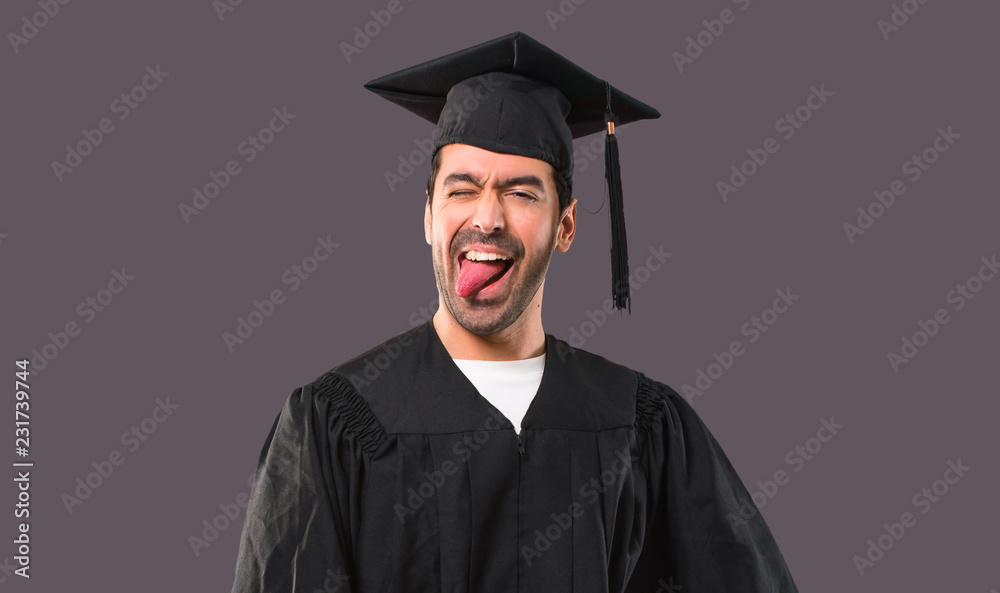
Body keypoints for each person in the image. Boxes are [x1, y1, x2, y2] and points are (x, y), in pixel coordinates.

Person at [231, 32, 799, 592]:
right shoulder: (335, 425)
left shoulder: (639, 426)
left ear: (567, 226)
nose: (487, 218)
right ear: (428, 215)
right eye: (462, 189)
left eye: (522, 193)